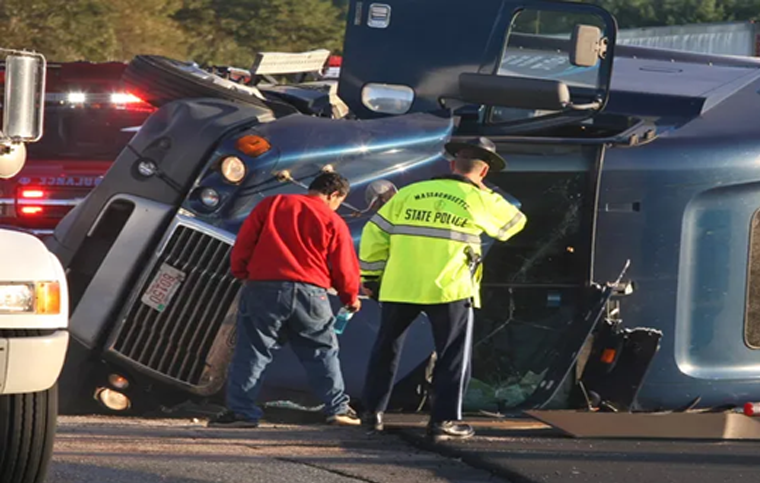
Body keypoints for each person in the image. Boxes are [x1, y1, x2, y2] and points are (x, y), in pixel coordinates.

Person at [358, 137, 527, 442]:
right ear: (484, 171)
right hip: (450, 288)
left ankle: (371, 414)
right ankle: (445, 421)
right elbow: (514, 224)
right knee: (452, 355)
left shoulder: (409, 193)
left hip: (400, 285)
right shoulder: (479, 199)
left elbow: (374, 234)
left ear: (452, 164)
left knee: (386, 350)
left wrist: (371, 278)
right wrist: (485, 191)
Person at [209, 171, 362, 428]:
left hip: (263, 288)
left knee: (253, 352)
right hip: (311, 294)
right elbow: (344, 267)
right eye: (339, 201)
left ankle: (242, 412)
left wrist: (242, 272)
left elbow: (244, 243)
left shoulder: (273, 204)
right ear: (334, 195)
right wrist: (350, 297)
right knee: (322, 352)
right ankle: (338, 409)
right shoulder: (333, 221)